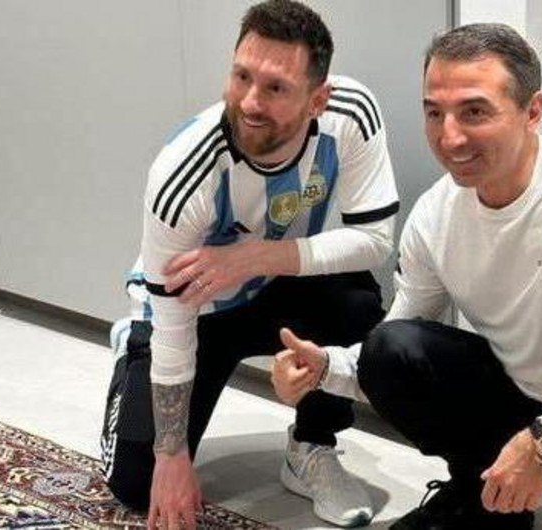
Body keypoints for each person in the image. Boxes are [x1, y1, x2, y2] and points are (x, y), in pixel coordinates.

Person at [272, 22, 542, 530]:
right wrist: (325, 368)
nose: (449, 137)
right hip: (516, 391)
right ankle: (482, 493)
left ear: (532, 111)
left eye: (474, 112)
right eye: (434, 112)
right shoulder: (435, 214)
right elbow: (396, 347)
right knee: (391, 346)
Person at [99, 1, 399, 528]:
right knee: (137, 485)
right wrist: (171, 456)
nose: (250, 102)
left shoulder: (351, 113)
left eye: (276, 87)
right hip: (192, 310)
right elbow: (175, 319)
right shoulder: (182, 174)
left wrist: (254, 256)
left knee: (355, 302)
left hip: (273, 286)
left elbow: (375, 239)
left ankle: (311, 447)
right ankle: (133, 349)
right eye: (242, 77)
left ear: (318, 99)